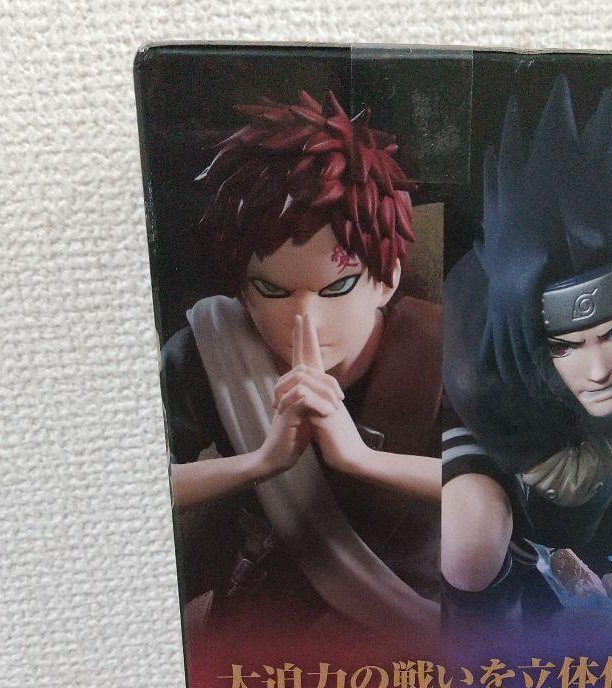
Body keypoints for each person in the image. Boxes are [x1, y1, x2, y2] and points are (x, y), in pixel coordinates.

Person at [160, 90, 441, 637]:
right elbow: (136, 486)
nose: (304, 319)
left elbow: (501, 490)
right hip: (266, 617)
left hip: (413, 622)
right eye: (273, 290)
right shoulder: (206, 350)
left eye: (337, 288)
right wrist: (261, 462)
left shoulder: (442, 350)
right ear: (243, 290)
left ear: (386, 280)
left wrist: (362, 460)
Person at [441, 77, 612, 623]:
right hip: (507, 432)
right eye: (567, 346)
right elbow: (565, 507)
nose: (597, 370)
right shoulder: (479, 368)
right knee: (474, 548)